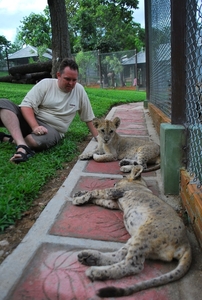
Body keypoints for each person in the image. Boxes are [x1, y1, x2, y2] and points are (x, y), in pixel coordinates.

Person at [0, 58, 98, 163]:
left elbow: (88, 118)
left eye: (74, 80)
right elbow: (26, 106)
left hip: (53, 129)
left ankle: (8, 138)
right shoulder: (46, 84)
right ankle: (21, 144)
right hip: (32, 119)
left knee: (35, 142)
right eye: (67, 79)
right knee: (3, 103)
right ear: (58, 75)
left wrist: (98, 137)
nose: (71, 83)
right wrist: (35, 126)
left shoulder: (79, 91)